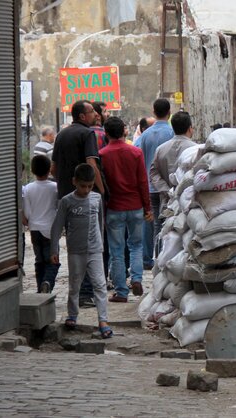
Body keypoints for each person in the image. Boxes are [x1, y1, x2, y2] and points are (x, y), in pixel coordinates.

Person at [51, 100, 106, 308]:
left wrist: (66, 185)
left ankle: (76, 295)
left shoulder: (61, 134)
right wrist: (99, 190)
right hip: (85, 198)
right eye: (92, 112)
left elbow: (54, 169)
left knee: (74, 245)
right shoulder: (87, 134)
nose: (96, 115)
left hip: (66, 196)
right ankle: (85, 292)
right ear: (82, 116)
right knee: (91, 243)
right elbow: (91, 164)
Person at [50, 163, 113, 339]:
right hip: (75, 251)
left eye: (89, 186)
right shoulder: (66, 202)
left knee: (100, 285)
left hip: (95, 250)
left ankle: (103, 320)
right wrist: (53, 249)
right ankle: (72, 314)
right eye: (82, 186)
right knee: (75, 284)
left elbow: (100, 222)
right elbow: (57, 227)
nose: (86, 190)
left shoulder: (96, 199)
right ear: (74, 182)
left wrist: (100, 245)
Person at [99, 117, 153, 302]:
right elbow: (142, 182)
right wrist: (148, 207)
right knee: (136, 246)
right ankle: (137, 279)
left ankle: (121, 291)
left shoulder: (102, 155)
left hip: (114, 208)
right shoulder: (135, 152)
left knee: (116, 250)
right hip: (135, 206)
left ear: (106, 133)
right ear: (124, 131)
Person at [138, 98, 174, 269]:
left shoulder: (144, 135)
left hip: (149, 184)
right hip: (167, 186)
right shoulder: (172, 133)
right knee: (166, 222)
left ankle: (146, 258)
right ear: (169, 112)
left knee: (149, 221)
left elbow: (141, 159)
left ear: (154, 112)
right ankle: (161, 257)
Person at [22, 155, 60, 293]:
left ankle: (40, 289)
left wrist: (29, 221)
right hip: (50, 230)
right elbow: (58, 207)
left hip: (34, 229)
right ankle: (47, 282)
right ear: (49, 170)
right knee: (53, 261)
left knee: (39, 261)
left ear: (32, 171)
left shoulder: (28, 188)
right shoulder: (55, 187)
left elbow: (26, 212)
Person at [150, 111, 196, 194]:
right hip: (190, 201)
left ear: (173, 128)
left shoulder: (160, 149)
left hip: (167, 201)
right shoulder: (196, 149)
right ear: (190, 128)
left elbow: (154, 174)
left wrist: (167, 190)